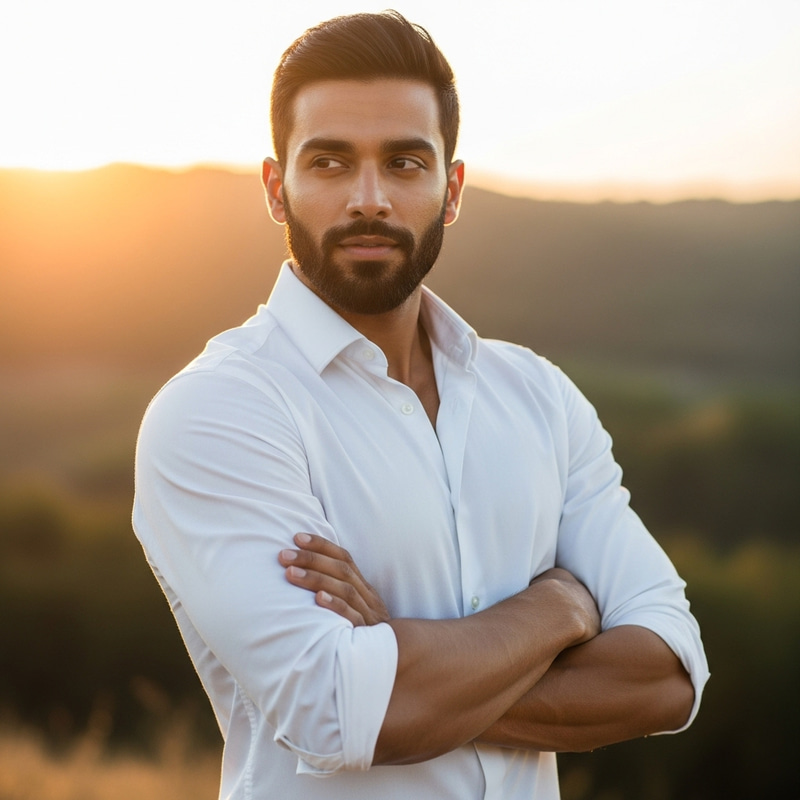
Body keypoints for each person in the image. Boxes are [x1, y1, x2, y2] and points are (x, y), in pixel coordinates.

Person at [133, 10, 709, 799]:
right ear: (277, 188)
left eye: (404, 163)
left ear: (452, 188)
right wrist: (560, 609)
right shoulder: (219, 412)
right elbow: (337, 712)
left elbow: (668, 677)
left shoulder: (539, 397)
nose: (368, 199)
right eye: (330, 163)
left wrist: (399, 667)